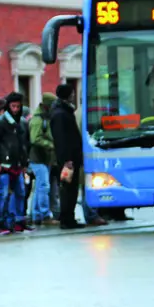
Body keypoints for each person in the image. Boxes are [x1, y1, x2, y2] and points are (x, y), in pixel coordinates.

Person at [51, 82, 102, 229]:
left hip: (71, 157)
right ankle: (67, 219)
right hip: (68, 159)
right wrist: (67, 160)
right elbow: (62, 140)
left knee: (71, 189)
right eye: (72, 94)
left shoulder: (63, 111)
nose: (74, 96)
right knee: (68, 189)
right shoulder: (61, 114)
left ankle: (69, 218)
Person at [0, 93, 32, 234]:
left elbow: (25, 144)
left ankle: (18, 221)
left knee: (20, 192)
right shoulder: (0, 122)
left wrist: (25, 163)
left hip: (18, 163)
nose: (15, 109)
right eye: (13, 106)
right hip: (4, 164)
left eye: (18, 106)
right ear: (8, 106)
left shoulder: (23, 123)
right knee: (3, 193)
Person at [29, 95, 58, 227]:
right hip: (38, 158)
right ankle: (44, 214)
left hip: (44, 158)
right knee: (44, 186)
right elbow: (35, 139)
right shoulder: (38, 120)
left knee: (39, 187)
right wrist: (51, 145)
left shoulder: (45, 118)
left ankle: (36, 215)